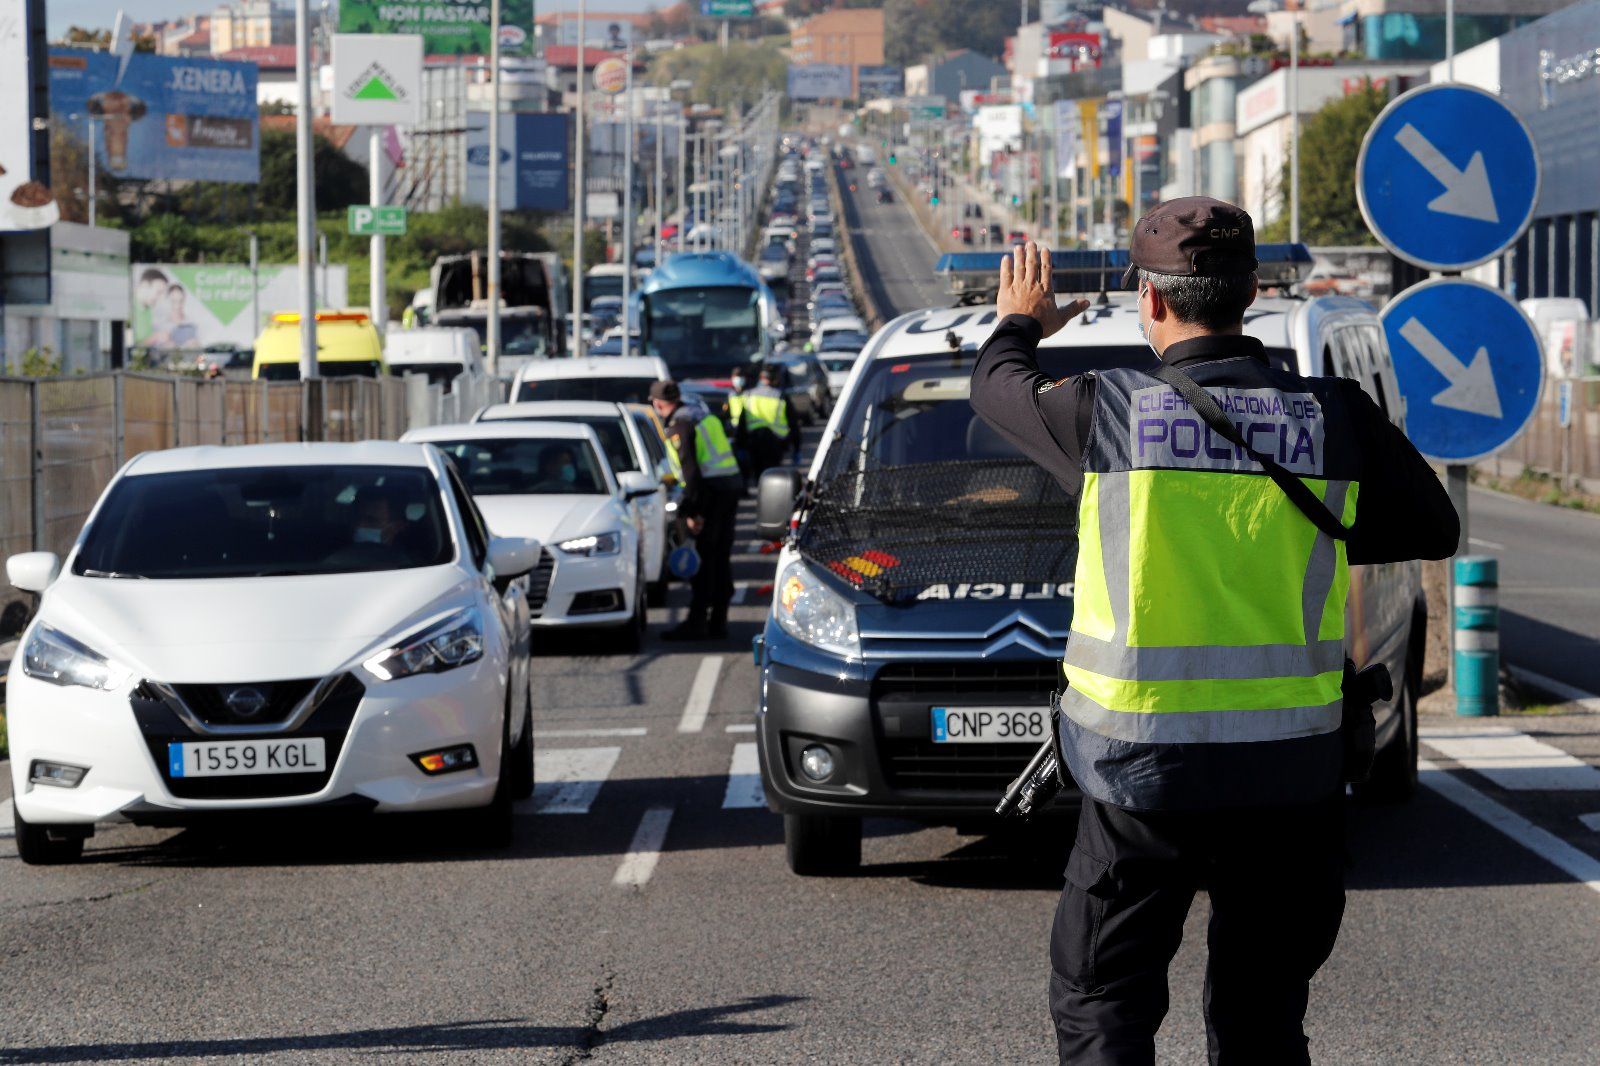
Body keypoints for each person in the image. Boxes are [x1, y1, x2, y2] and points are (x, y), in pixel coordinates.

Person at [969, 199, 1460, 1066]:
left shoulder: (1108, 413)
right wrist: (1318, 525)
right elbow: (1433, 526)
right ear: (1255, 293)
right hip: (1291, 765)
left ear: (1149, 301)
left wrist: (1020, 322)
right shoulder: (1333, 415)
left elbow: (995, 390)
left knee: (1104, 1004)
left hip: (1138, 766)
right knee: (1262, 1017)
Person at [650, 379, 743, 640]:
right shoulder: (702, 415)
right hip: (728, 489)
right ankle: (718, 620)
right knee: (720, 555)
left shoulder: (680, 425)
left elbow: (691, 473)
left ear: (658, 404)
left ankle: (697, 621)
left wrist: (693, 512)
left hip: (709, 494)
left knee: (702, 558)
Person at [734, 363, 800, 479]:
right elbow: (793, 425)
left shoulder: (749, 395)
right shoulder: (780, 396)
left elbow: (742, 424)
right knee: (773, 476)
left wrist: (740, 446)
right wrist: (797, 448)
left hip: (754, 442)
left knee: (759, 477)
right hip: (775, 445)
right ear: (775, 379)